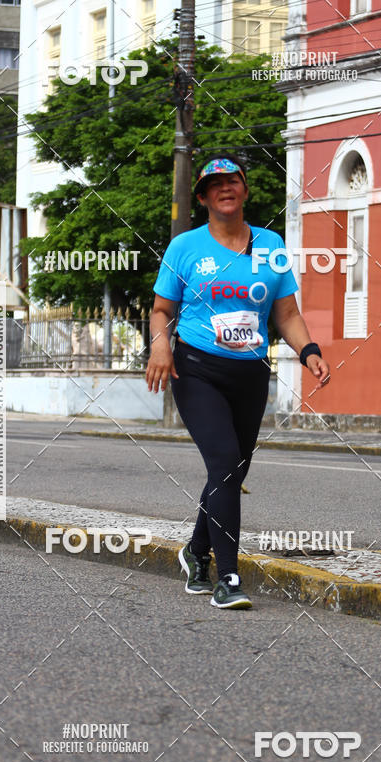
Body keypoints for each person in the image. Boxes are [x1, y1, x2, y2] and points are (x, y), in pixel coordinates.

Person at [146, 155, 330, 609]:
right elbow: (161, 310)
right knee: (226, 462)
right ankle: (228, 576)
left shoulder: (271, 245)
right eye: (215, 184)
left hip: (250, 373)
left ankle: (196, 551)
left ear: (245, 191)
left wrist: (309, 352)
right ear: (205, 197)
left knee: (230, 472)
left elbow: (285, 313)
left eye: (234, 181)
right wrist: (160, 345)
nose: (226, 188)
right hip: (197, 368)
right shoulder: (185, 247)